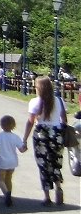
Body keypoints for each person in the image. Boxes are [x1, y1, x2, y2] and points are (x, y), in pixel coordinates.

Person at [22, 76, 67, 206]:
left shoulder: (35, 102)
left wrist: (24, 139)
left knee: (43, 163)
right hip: (57, 133)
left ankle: (47, 196)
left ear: (39, 88)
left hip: (41, 134)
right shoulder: (59, 100)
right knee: (55, 161)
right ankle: (58, 187)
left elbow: (30, 121)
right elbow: (64, 119)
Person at [0, 115, 26, 207]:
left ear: (1, 125)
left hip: (2, 161)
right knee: (8, 179)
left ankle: (6, 194)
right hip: (12, 162)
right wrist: (25, 146)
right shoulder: (15, 137)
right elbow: (21, 149)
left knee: (0, 180)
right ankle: (9, 194)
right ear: (13, 125)